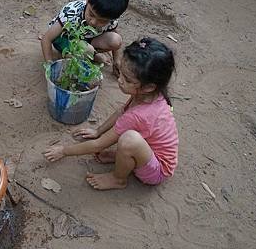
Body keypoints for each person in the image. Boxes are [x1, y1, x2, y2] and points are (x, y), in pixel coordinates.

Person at [42, 37, 178, 190]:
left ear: (148, 87)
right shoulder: (150, 96)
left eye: (126, 79)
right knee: (129, 139)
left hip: (157, 170)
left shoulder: (140, 115)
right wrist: (98, 131)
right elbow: (122, 111)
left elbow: (98, 145)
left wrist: (63, 151)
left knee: (129, 140)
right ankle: (126, 157)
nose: (119, 80)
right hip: (148, 152)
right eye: (121, 73)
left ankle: (118, 179)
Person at [41, 0, 129, 76]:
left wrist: (117, 60)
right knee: (87, 50)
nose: (94, 22)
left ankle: (89, 54)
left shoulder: (111, 19)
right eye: (91, 14)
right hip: (65, 39)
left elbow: (114, 32)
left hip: (87, 39)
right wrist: (49, 67)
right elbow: (46, 39)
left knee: (116, 40)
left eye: (102, 21)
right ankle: (87, 55)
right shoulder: (71, 13)